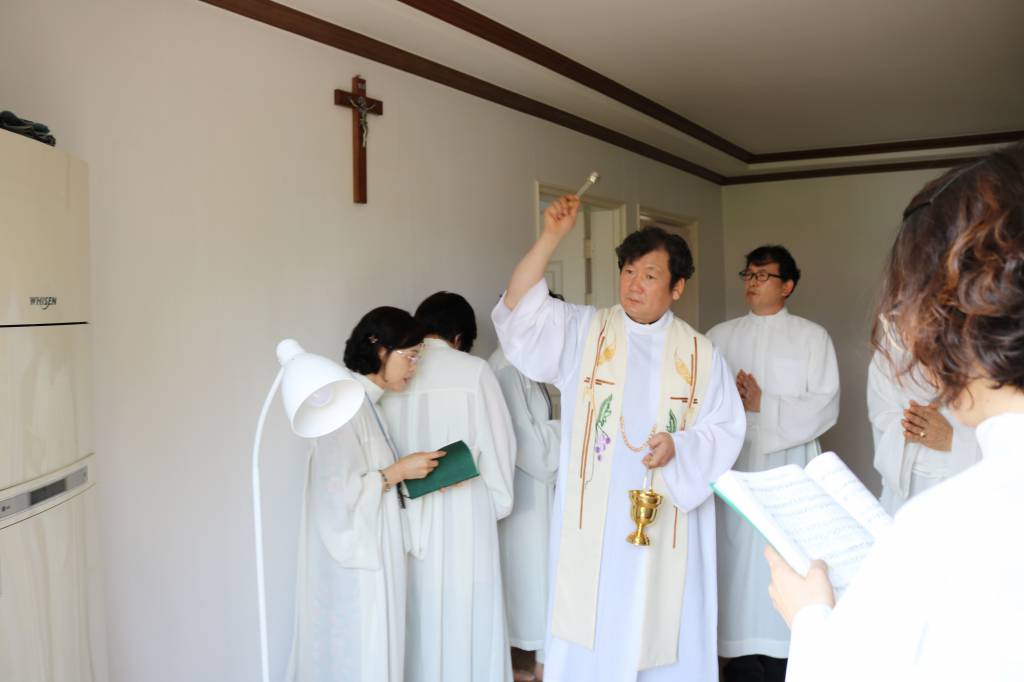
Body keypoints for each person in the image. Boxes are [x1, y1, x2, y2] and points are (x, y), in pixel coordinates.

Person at [765, 144, 1024, 681]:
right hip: (909, 470)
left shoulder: (943, 531)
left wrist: (811, 616)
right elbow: (885, 407)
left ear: (949, 321)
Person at [492, 197, 745, 682]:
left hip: (669, 512)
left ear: (677, 287)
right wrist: (551, 237)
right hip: (597, 520)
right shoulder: (585, 332)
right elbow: (518, 312)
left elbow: (726, 428)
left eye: (650, 275)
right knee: (595, 618)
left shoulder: (702, 354)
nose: (634, 283)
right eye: (629, 271)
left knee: (664, 622)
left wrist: (682, 446)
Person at [286, 307, 444, 682]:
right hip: (358, 569)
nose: (414, 367)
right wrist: (398, 471)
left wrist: (411, 472)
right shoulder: (343, 407)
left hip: (379, 554)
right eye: (411, 356)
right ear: (380, 351)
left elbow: (373, 480)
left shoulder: (368, 406)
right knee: (359, 656)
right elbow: (336, 498)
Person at [708, 245, 840, 680]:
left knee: (786, 555)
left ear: (787, 286)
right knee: (737, 566)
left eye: (762, 275)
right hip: (738, 466)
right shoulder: (719, 336)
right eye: (747, 274)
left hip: (789, 466)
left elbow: (826, 404)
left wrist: (767, 404)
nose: (751, 282)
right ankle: (738, 657)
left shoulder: (811, 336)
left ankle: (791, 654)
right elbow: (701, 399)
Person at [380, 291, 517, 682]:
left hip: (403, 513)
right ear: (459, 336)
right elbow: (499, 446)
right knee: (469, 618)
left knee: (415, 619)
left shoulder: (393, 372)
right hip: (464, 511)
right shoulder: (473, 371)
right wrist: (494, 505)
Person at [489, 309, 562, 682]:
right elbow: (535, 451)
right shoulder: (503, 370)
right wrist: (567, 428)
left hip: (539, 497)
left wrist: (553, 429)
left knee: (542, 587)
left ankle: (541, 668)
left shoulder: (527, 366)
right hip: (525, 500)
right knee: (531, 589)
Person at [867, 347, 981, 514]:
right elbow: (882, 413)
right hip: (909, 481)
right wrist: (913, 422)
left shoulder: (988, 346)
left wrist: (953, 439)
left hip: (970, 483)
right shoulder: (888, 349)